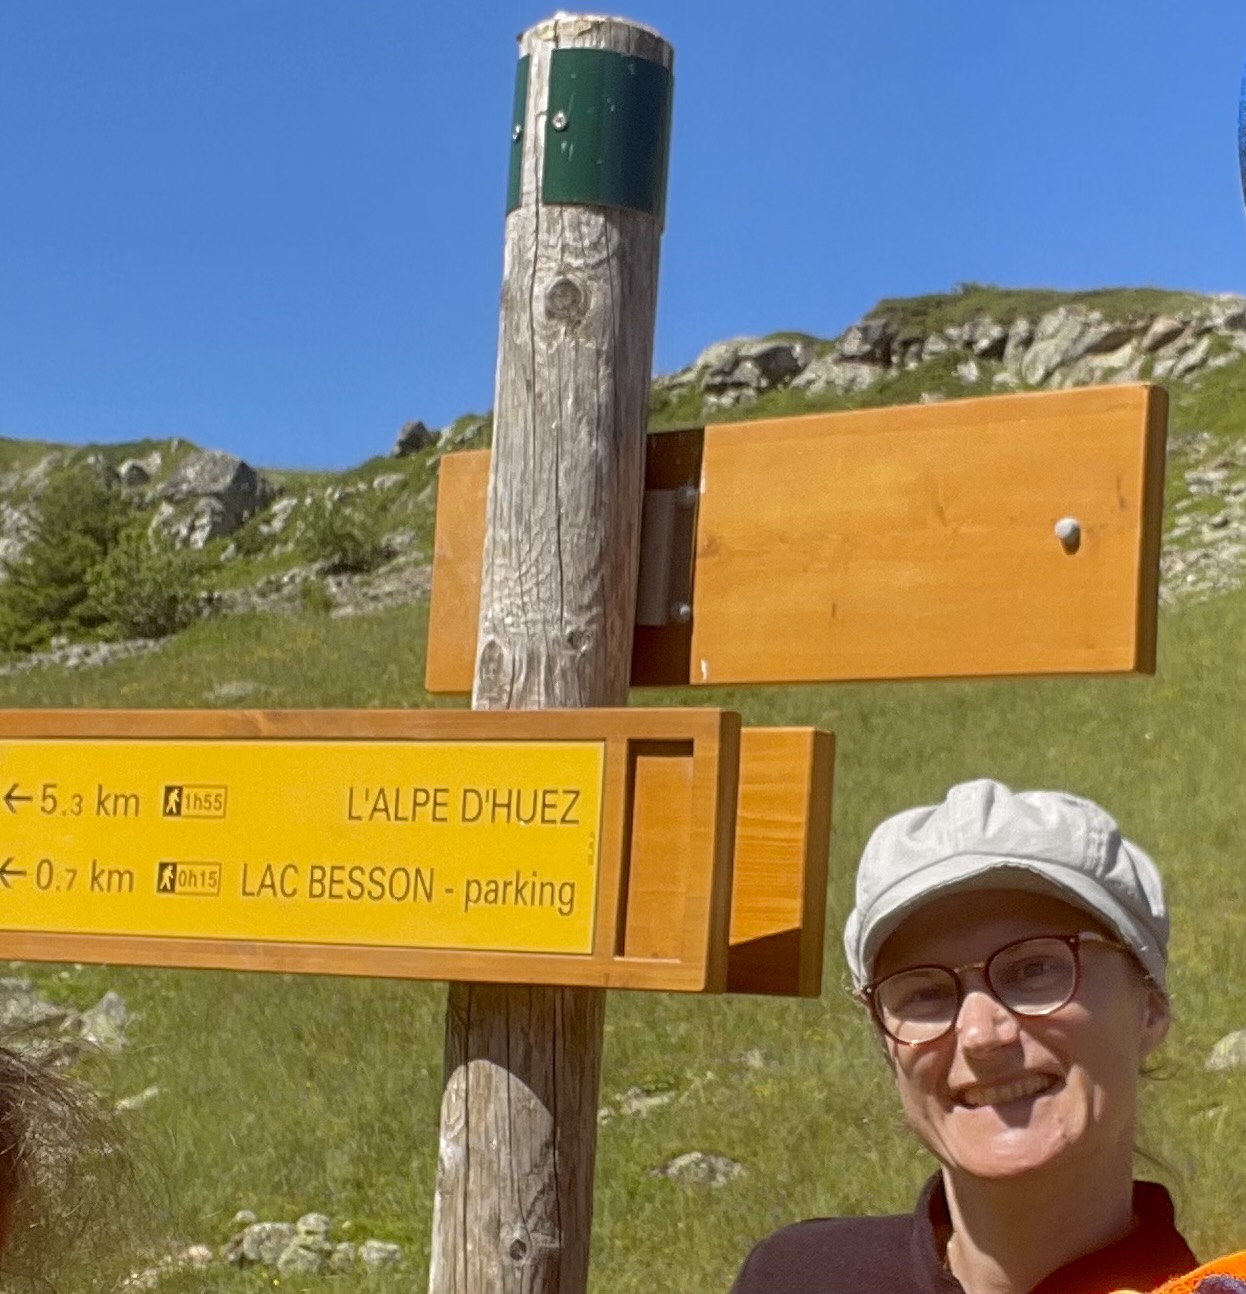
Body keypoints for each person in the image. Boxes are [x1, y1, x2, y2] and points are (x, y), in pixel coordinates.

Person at [730, 778, 1197, 1294]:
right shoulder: (798, 1277)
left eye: (1035, 968)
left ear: (1149, 1009)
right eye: (925, 992)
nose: (980, 1035)